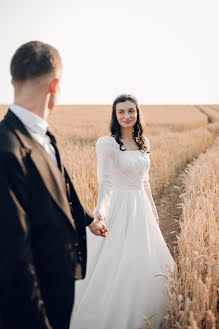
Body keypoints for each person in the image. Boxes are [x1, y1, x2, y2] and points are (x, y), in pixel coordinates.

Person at [0, 41, 108, 329]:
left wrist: (86, 220)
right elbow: (13, 255)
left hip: (59, 289)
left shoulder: (43, 136)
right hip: (34, 307)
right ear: (55, 85)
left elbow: (61, 187)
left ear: (13, 80)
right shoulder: (6, 150)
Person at [70, 94, 175, 329]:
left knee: (145, 259)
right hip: (119, 205)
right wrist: (101, 212)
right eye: (121, 112)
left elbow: (145, 182)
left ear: (137, 113)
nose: (126, 116)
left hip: (142, 208)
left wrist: (155, 213)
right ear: (115, 116)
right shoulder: (107, 144)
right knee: (117, 261)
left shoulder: (144, 142)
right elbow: (106, 182)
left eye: (131, 111)